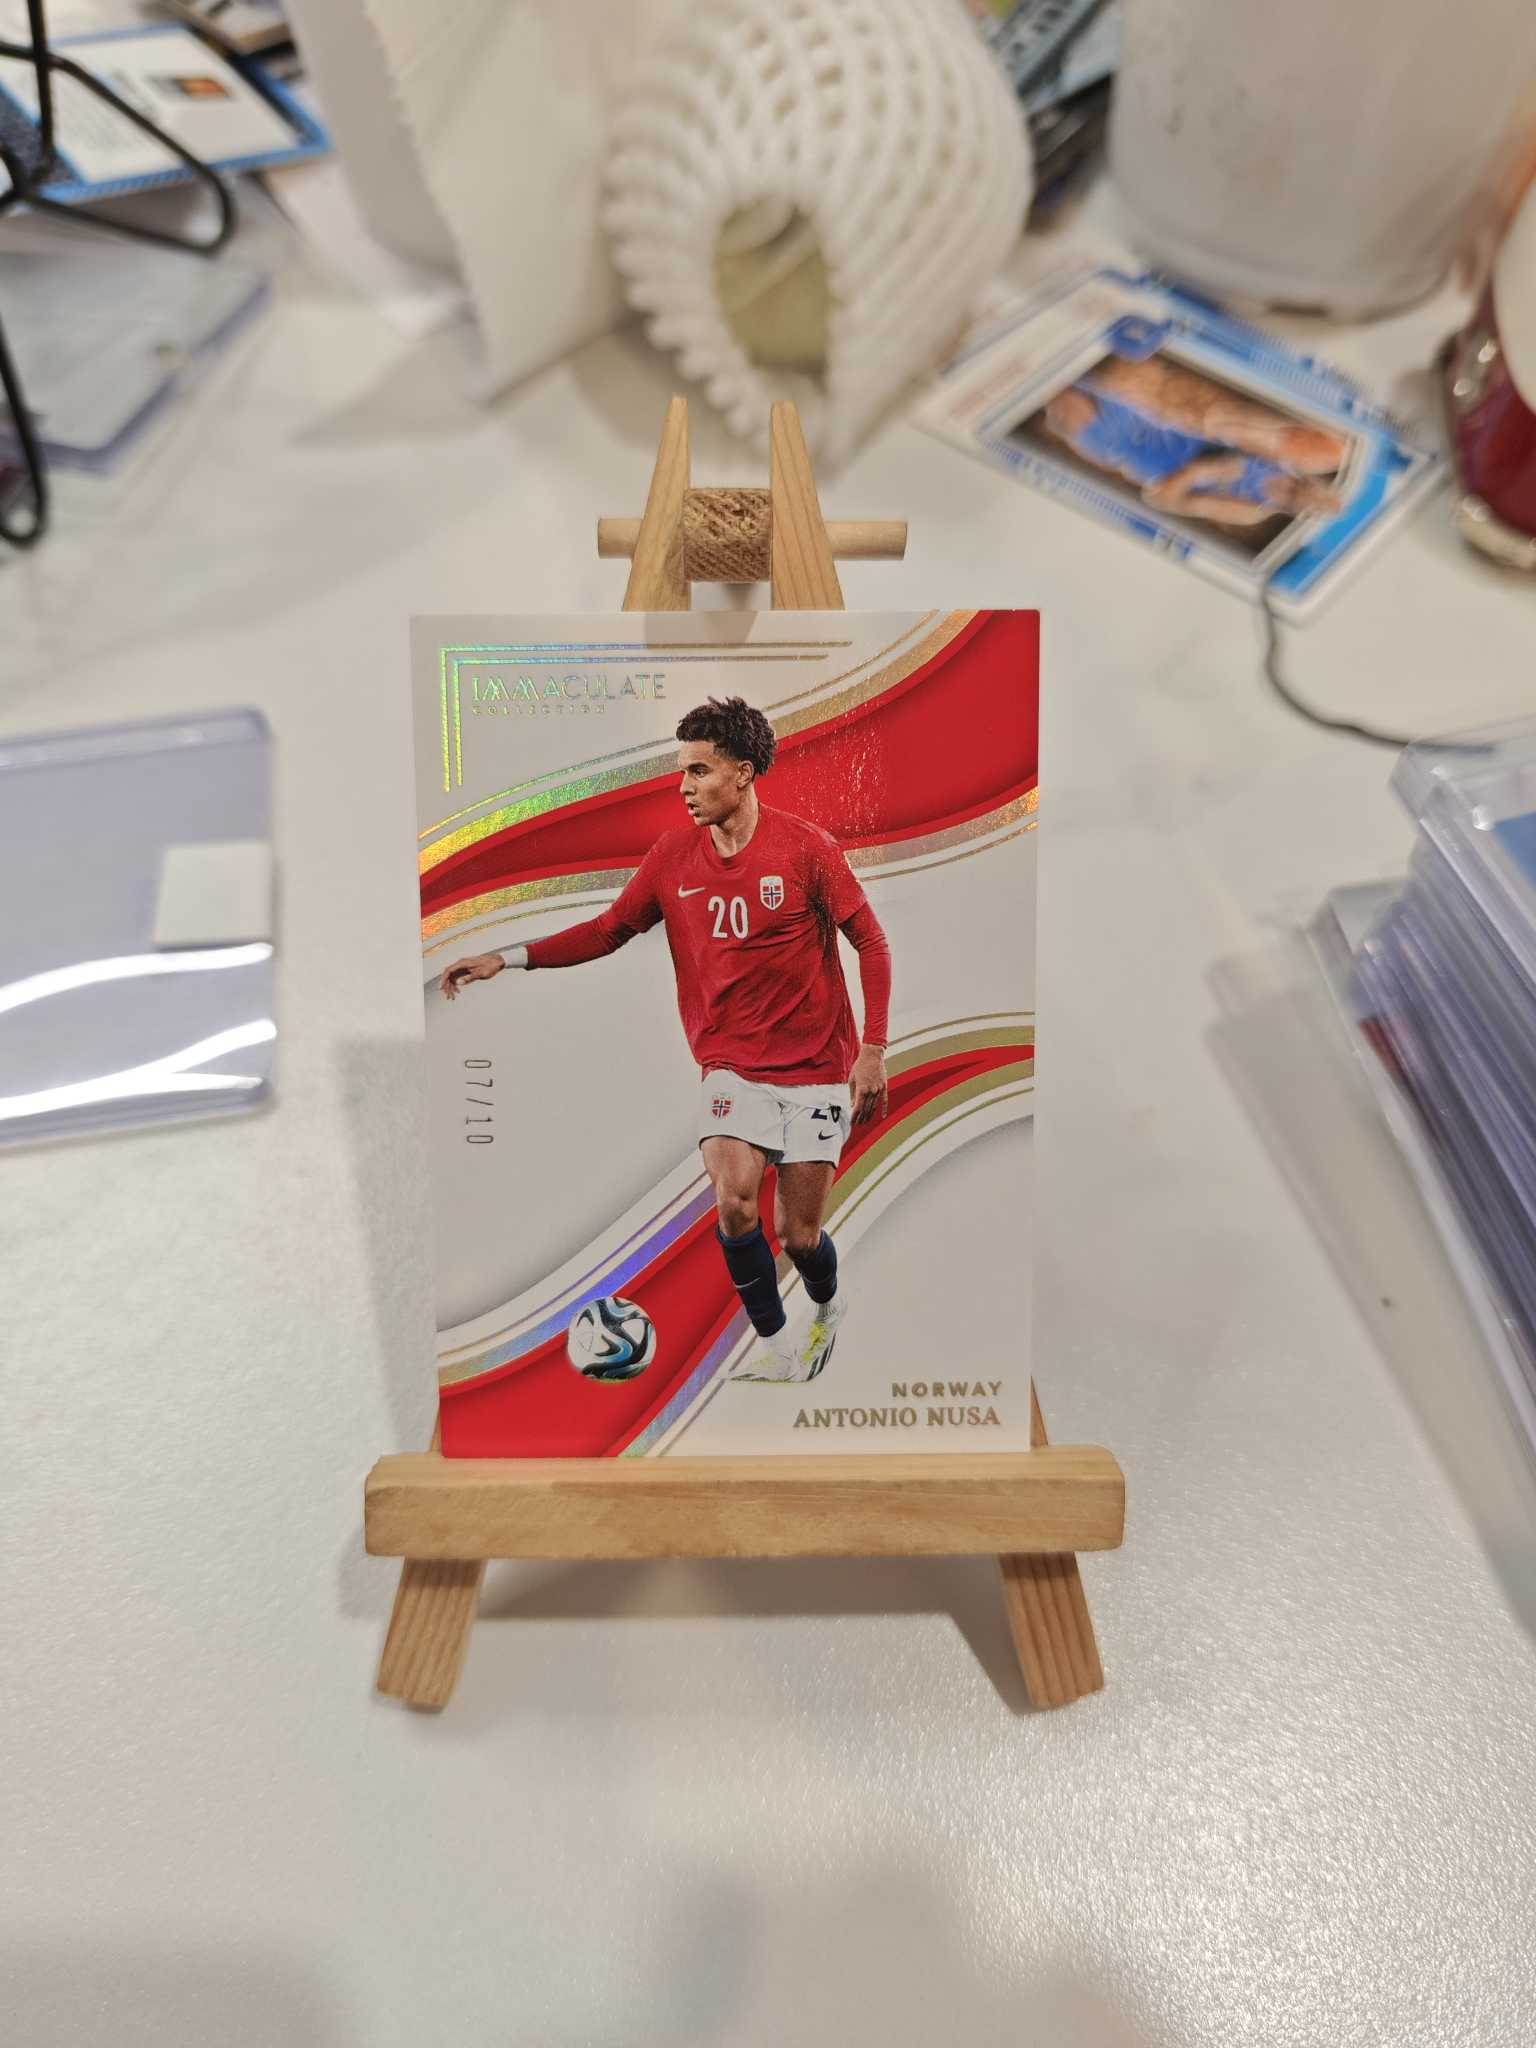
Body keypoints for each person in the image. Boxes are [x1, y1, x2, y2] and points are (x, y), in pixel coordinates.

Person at [439, 696, 893, 1384]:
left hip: (815, 1070)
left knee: (797, 1237)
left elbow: (872, 944)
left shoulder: (807, 850)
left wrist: (873, 1050)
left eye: (699, 771)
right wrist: (510, 957)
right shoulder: (673, 857)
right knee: (735, 1202)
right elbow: (607, 931)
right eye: (681, 771)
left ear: (742, 774)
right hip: (730, 1067)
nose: (684, 786)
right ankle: (775, 1348)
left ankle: (830, 1303)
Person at [1041, 349, 1348, 529]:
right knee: (1064, 367)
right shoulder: (1279, 462)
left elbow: (1160, 500)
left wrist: (1203, 472)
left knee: (1055, 395)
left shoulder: (1252, 509)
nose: (1312, 498)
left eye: (1316, 507)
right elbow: (1232, 426)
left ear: (1305, 514)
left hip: (1127, 445)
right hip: (1150, 415)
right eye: (1320, 494)